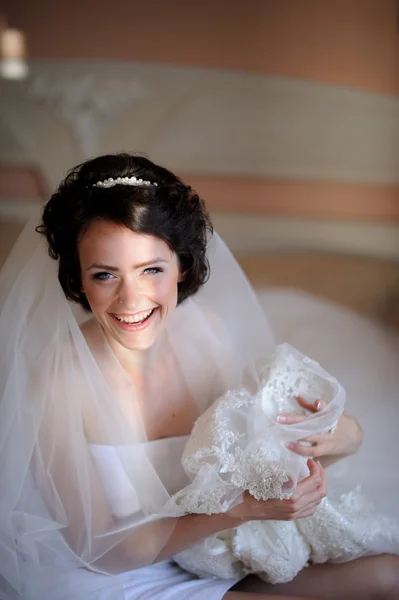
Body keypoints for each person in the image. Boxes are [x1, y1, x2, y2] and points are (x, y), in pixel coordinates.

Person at [0, 153, 398, 600]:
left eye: (151, 269)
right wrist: (242, 511)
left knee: (389, 578)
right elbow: (106, 549)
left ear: (181, 267)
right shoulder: (58, 385)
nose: (131, 299)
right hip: (116, 574)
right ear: (79, 280)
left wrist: (344, 439)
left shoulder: (207, 333)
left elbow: (249, 455)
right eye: (105, 274)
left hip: (211, 552)